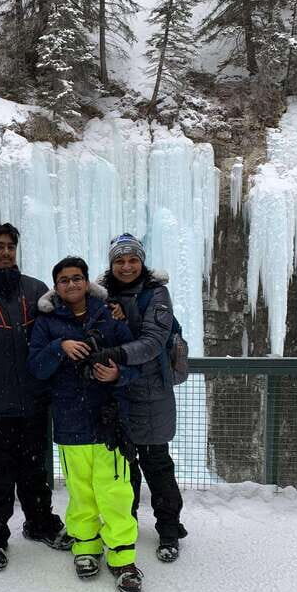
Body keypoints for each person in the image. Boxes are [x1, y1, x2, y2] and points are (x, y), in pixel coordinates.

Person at [0, 223, 73, 571]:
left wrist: (109, 309)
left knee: (36, 471)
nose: (5, 252)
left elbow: (68, 321)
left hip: (35, 403)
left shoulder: (36, 291)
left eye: (10, 246)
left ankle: (39, 524)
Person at [28, 256, 143, 592]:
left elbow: (134, 357)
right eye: (64, 280)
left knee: (116, 492)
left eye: (77, 278)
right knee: (81, 491)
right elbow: (36, 367)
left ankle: (123, 557)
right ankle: (86, 549)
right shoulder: (47, 323)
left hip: (110, 421)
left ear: (87, 281)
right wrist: (58, 347)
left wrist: (119, 374)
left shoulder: (108, 314)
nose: (72, 285)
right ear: (56, 286)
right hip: (70, 420)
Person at [90, 233, 187, 562]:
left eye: (132, 259)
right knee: (124, 468)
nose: (126, 266)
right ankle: (124, 526)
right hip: (116, 393)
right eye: (119, 260)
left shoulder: (156, 294)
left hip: (151, 394)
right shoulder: (101, 294)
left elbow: (153, 342)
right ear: (111, 263)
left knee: (156, 464)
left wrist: (114, 353)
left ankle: (169, 529)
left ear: (142, 261)